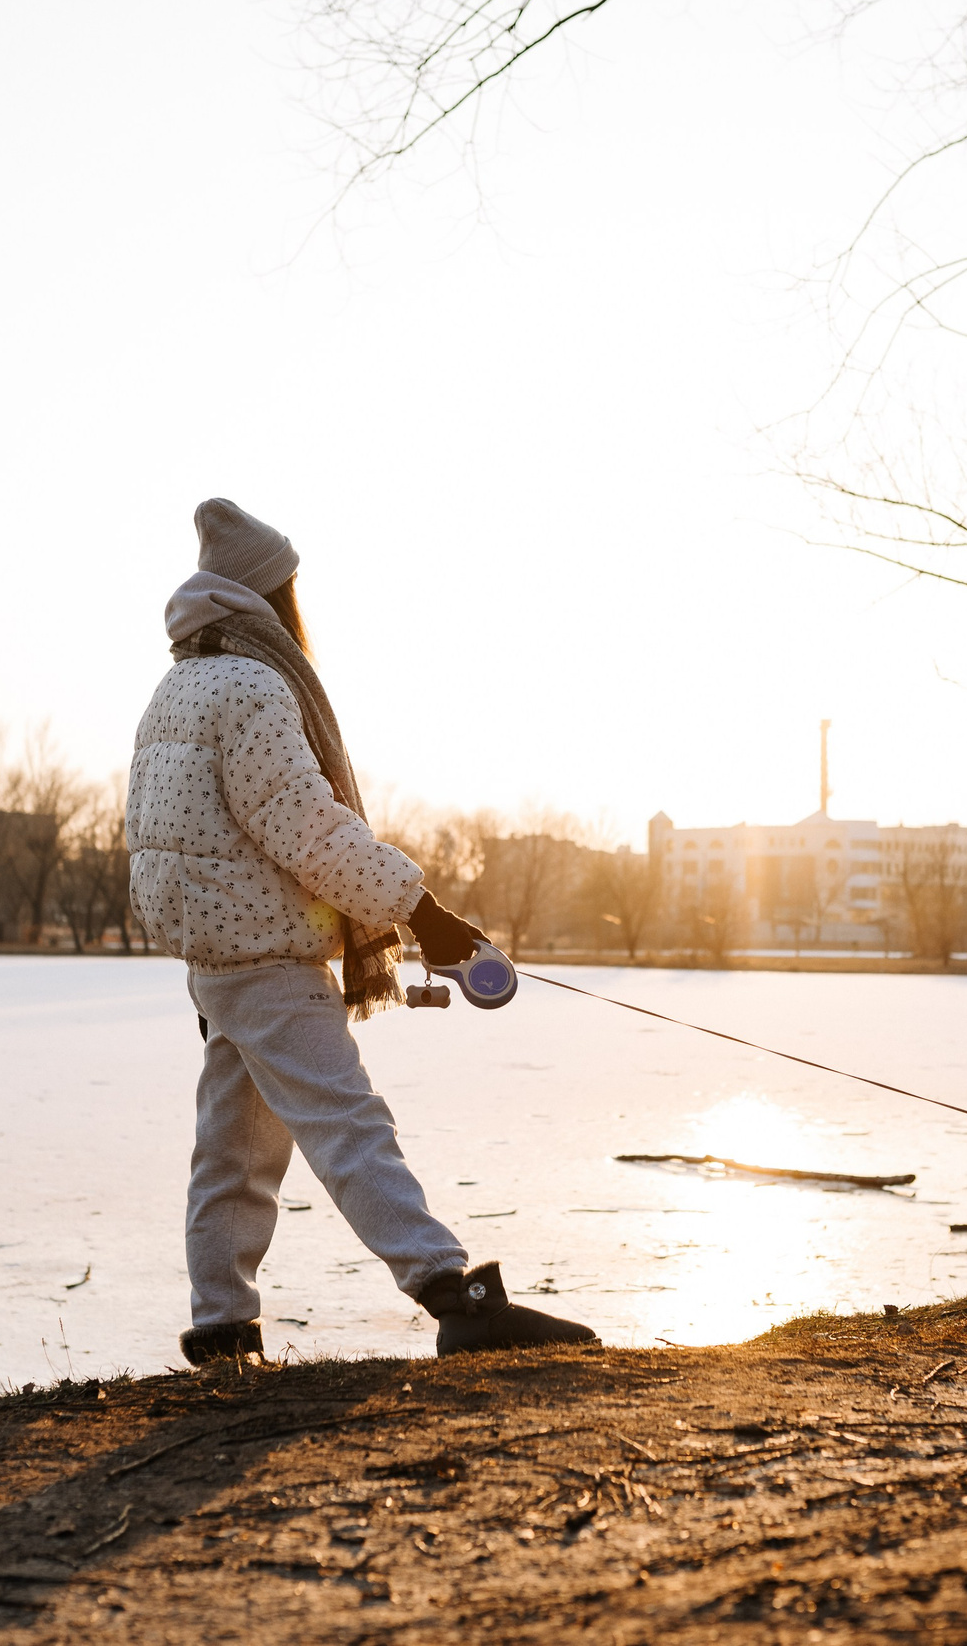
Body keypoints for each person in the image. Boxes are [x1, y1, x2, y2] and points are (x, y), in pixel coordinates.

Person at [127, 498, 599, 1365]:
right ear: (268, 592)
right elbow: (310, 830)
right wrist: (422, 913)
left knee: (233, 1151)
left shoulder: (177, 685)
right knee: (349, 1123)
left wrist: (205, 948)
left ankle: (223, 1325)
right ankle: (450, 1292)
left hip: (219, 963)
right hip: (269, 957)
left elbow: (169, 837)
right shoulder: (255, 685)